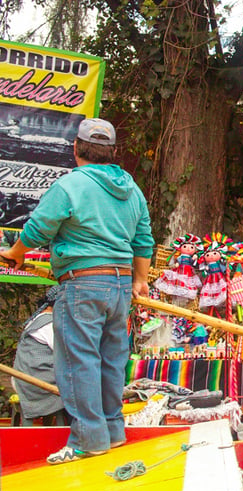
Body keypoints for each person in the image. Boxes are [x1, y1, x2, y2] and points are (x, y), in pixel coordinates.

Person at [0, 118, 154, 464]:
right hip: (119, 285)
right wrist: (140, 280)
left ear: (76, 149)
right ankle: (112, 431)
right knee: (111, 360)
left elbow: (39, 228)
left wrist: (15, 253)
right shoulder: (130, 187)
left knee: (78, 361)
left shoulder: (71, 184)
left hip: (82, 282)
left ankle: (87, 437)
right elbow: (143, 238)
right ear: (112, 153)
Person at [11, 287, 66, 425]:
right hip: (33, 383)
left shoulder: (38, 320)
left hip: (25, 378)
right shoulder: (49, 324)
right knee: (78, 386)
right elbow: (66, 354)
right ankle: (68, 431)